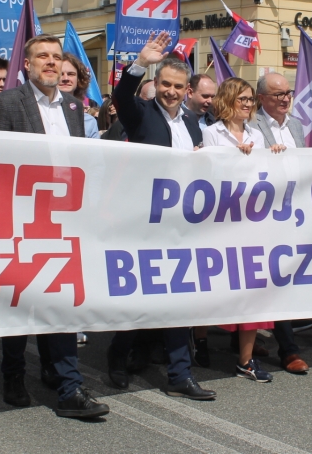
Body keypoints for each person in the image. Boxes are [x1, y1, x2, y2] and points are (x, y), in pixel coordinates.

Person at [0, 34, 109, 419]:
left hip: (64, 219)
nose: (51, 62)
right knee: (20, 303)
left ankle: (69, 386)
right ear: (27, 64)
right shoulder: (8, 103)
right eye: (43, 56)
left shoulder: (73, 107)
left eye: (56, 56)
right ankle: (13, 374)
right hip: (21, 218)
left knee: (61, 300)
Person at [108, 31, 215, 401]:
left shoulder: (192, 124)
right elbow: (121, 98)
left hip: (182, 225)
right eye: (165, 84)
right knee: (140, 298)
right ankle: (118, 357)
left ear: (187, 90)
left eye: (178, 86)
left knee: (178, 300)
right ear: (156, 84)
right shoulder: (141, 115)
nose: (171, 91)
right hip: (145, 224)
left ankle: (179, 374)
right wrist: (140, 63)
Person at [201, 78, 285, 382]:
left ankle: (246, 360)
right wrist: (234, 158)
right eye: (242, 99)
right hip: (221, 222)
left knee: (253, 289)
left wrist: (273, 155)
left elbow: (264, 175)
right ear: (227, 100)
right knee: (214, 286)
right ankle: (200, 340)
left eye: (251, 99)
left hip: (252, 222)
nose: (248, 104)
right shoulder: (212, 133)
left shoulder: (256, 135)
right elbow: (208, 175)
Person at [250, 71, 312, 374]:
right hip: (263, 213)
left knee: (284, 278)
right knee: (271, 278)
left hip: (293, 212)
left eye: (288, 93)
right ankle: (288, 350)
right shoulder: (252, 124)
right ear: (262, 98)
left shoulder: (296, 126)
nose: (286, 99)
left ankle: (249, 338)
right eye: (278, 94)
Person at [59, 55, 100, 139]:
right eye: (60, 74)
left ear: (78, 79)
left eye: (71, 74)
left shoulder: (89, 122)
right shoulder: (43, 113)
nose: (65, 78)